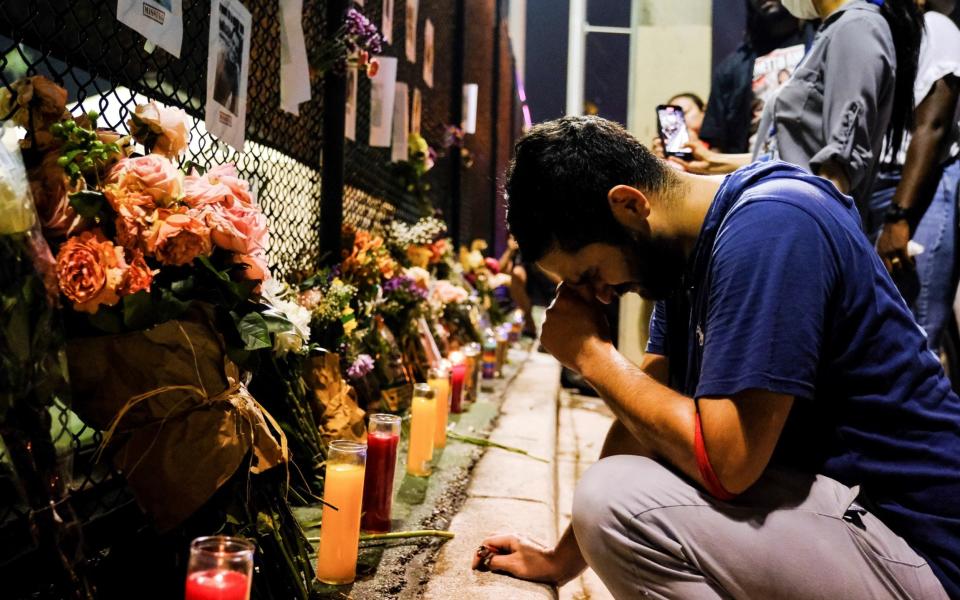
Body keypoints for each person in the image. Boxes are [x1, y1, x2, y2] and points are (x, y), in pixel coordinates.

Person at [473, 116, 960, 598]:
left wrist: (591, 356)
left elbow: (727, 465)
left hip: (919, 548)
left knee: (613, 501)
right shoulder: (686, 255)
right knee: (618, 488)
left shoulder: (771, 227)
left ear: (627, 204)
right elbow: (646, 428)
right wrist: (561, 560)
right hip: (854, 524)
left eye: (590, 274)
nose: (599, 296)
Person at [674, 0, 924, 214]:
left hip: (799, 220)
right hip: (782, 210)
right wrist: (712, 162)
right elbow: (793, 157)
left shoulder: (856, 27)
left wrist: (810, 234)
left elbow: (841, 161)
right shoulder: (836, 29)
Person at [869, 0, 960, 351]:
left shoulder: (937, 27)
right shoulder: (890, 35)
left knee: (916, 331)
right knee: (890, 324)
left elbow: (932, 126)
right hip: (883, 188)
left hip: (919, 188)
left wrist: (899, 217)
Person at [698, 0, 810, 153]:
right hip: (755, 168)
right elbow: (716, 140)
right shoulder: (733, 67)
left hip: (813, 166)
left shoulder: (820, 44)